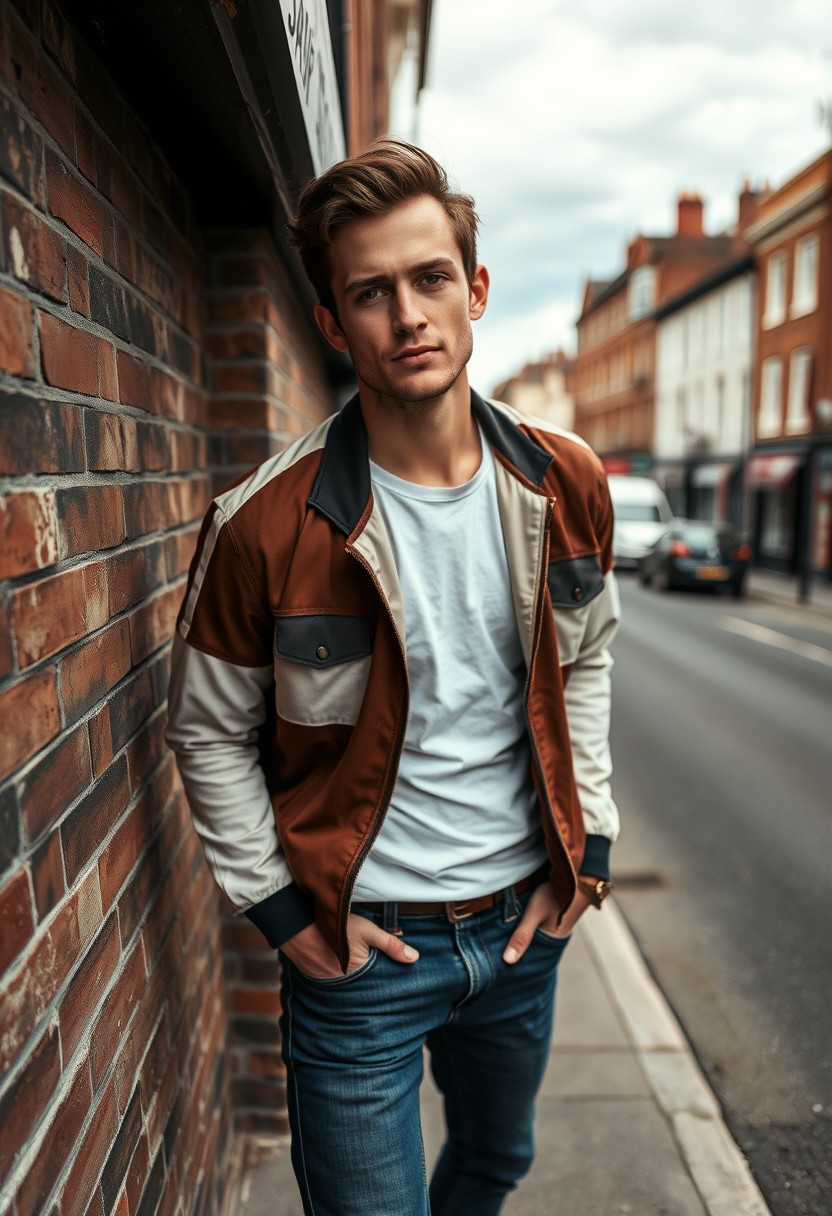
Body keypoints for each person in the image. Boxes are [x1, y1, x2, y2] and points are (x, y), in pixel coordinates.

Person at [166, 139, 620, 1216]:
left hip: (522, 930)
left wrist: (587, 846)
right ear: (332, 322)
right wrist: (282, 914)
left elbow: (588, 654)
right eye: (370, 292)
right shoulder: (263, 526)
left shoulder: (566, 483)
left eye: (427, 280)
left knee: (496, 1162)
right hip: (363, 954)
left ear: (474, 291)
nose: (406, 315)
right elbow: (208, 732)